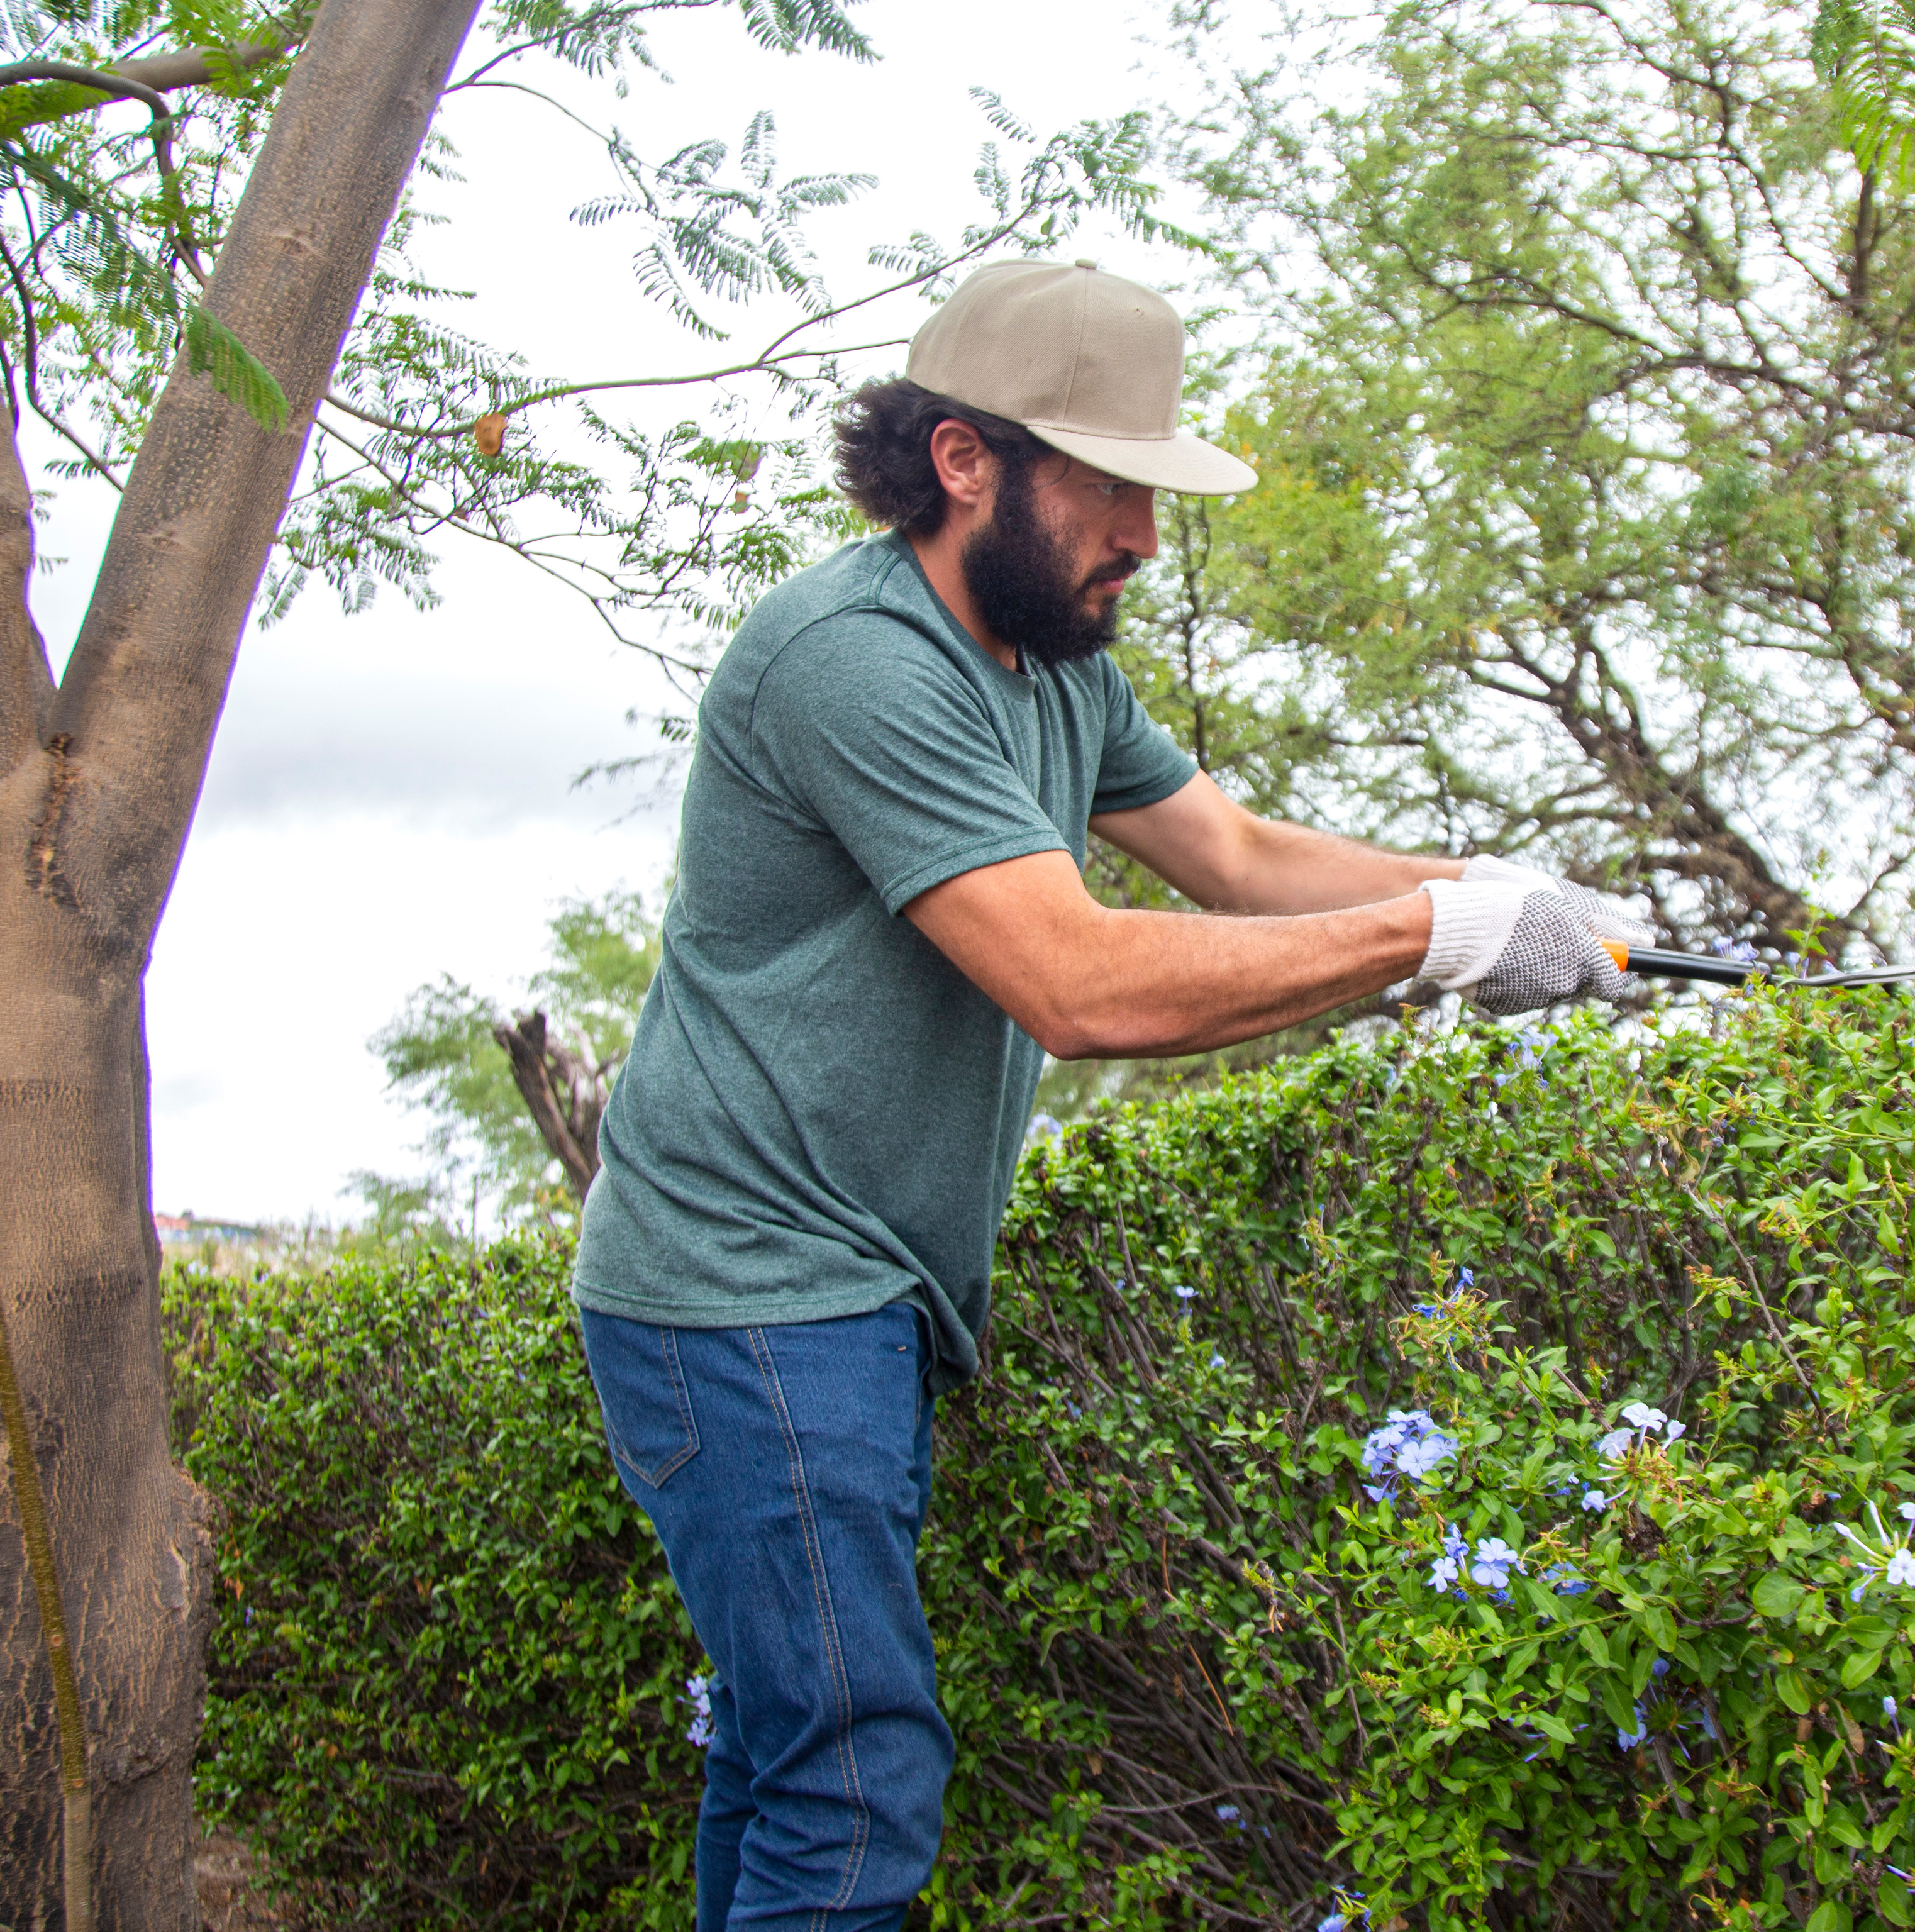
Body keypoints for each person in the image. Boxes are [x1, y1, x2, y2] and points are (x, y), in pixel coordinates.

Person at [569, 258, 1646, 1931]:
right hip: (748, 1296)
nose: (1147, 531)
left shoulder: (1055, 658)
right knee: (854, 1775)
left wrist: (1521, 896)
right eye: (1116, 484)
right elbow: (1071, 981)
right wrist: (1439, 939)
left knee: (789, 1765)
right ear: (967, 461)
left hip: (855, 1297)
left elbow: (1237, 855)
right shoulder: (856, 662)